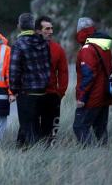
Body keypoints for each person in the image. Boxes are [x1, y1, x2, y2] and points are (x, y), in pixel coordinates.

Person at [10, 13, 51, 147]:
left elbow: (14, 70)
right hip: (43, 91)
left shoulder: (18, 44)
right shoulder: (43, 42)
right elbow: (48, 65)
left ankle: (36, 155)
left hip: (26, 92)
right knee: (35, 124)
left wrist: (14, 89)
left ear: (19, 26)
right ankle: (20, 148)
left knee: (28, 126)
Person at [73, 17, 112, 146]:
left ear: (81, 31)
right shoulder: (103, 46)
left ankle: (90, 153)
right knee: (100, 128)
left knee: (80, 126)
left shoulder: (87, 49)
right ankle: (104, 155)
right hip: (105, 95)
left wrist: (81, 98)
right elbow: (111, 68)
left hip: (92, 97)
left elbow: (88, 75)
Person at [35, 16, 68, 146]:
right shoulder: (30, 48)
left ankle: (50, 153)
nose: (51, 31)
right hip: (34, 95)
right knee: (34, 128)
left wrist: (61, 92)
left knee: (51, 131)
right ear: (38, 31)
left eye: (52, 28)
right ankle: (33, 153)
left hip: (52, 95)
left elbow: (64, 72)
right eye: (47, 29)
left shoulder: (58, 49)